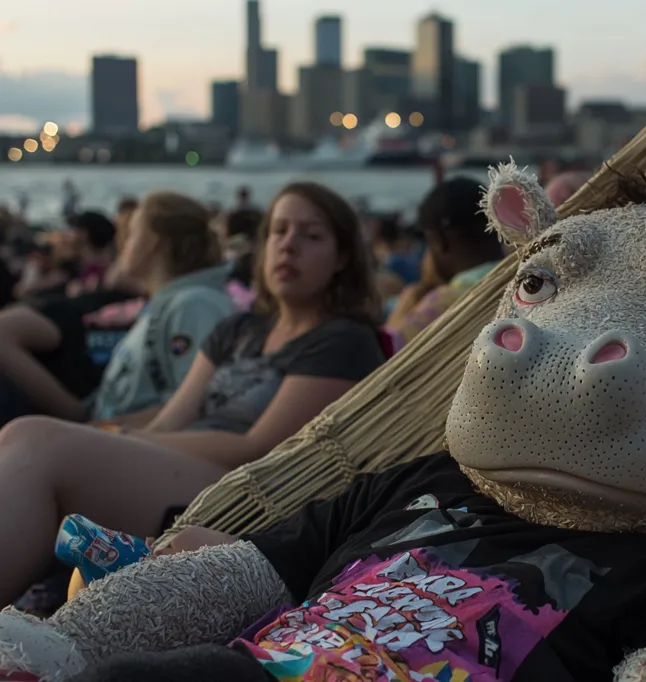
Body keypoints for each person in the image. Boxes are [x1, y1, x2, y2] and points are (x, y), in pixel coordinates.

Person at [0, 181, 386, 608]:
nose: (288, 246)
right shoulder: (238, 329)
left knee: (37, 443)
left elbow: (260, 448)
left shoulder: (344, 341)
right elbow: (172, 418)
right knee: (19, 437)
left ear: (343, 257)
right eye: (278, 231)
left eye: (310, 236)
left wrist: (124, 439)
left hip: (241, 490)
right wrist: (116, 436)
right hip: (182, 467)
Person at [0, 192, 237, 425]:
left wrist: (103, 431)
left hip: (131, 444)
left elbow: (194, 407)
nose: (121, 244)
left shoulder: (193, 304)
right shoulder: (172, 303)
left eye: (131, 235)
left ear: (152, 242)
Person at [384, 177, 506, 351]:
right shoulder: (526, 281)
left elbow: (384, 362)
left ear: (440, 241)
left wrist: (400, 314)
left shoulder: (446, 302)